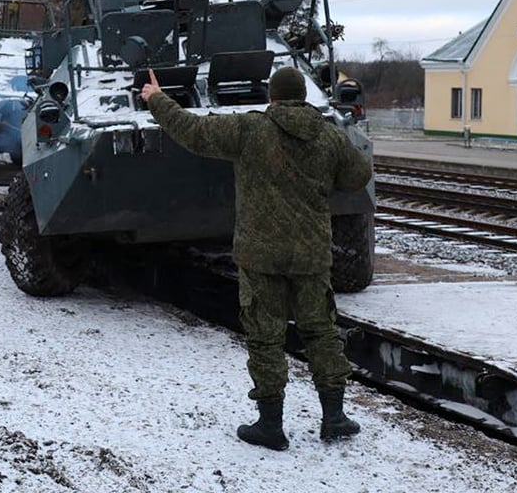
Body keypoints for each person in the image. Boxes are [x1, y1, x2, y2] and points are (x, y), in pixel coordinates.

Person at [141, 66, 371, 451]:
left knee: (266, 337)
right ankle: (334, 418)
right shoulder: (328, 134)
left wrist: (157, 99)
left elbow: (191, 131)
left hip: (260, 252)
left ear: (272, 97)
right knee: (321, 332)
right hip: (311, 253)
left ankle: (270, 425)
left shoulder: (250, 129)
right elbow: (357, 175)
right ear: (303, 96)